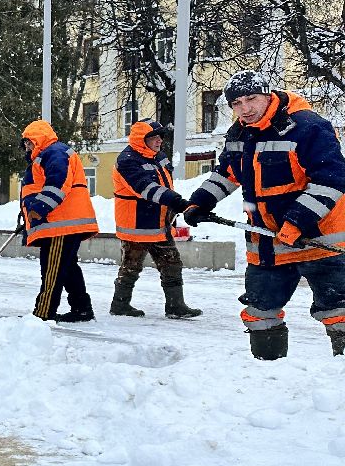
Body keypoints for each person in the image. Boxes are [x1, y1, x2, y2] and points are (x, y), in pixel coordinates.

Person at [183, 70, 345, 360]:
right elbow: (228, 173)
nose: (245, 109)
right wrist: (201, 202)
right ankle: (267, 374)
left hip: (319, 241)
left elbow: (331, 179)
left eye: (251, 99)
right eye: (236, 103)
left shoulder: (308, 127)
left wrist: (296, 222)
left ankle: (337, 382)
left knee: (339, 313)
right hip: (267, 244)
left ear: (267, 95)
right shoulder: (240, 132)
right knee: (258, 313)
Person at [110, 119, 202, 319]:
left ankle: (176, 306)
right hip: (137, 224)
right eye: (154, 137)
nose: (160, 140)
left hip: (159, 223)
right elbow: (146, 188)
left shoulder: (158, 156)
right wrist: (177, 201)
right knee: (131, 266)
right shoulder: (127, 161)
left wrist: (174, 207)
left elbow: (165, 184)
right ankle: (120, 305)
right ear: (141, 140)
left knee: (172, 263)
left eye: (161, 136)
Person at [19, 119, 99, 322]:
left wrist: (39, 208)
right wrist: (27, 214)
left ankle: (43, 312)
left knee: (52, 269)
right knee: (68, 267)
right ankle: (81, 308)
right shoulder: (48, 155)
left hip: (61, 223)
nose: (27, 147)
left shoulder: (54, 153)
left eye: (29, 142)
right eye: (26, 143)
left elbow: (57, 184)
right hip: (61, 221)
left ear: (39, 139)